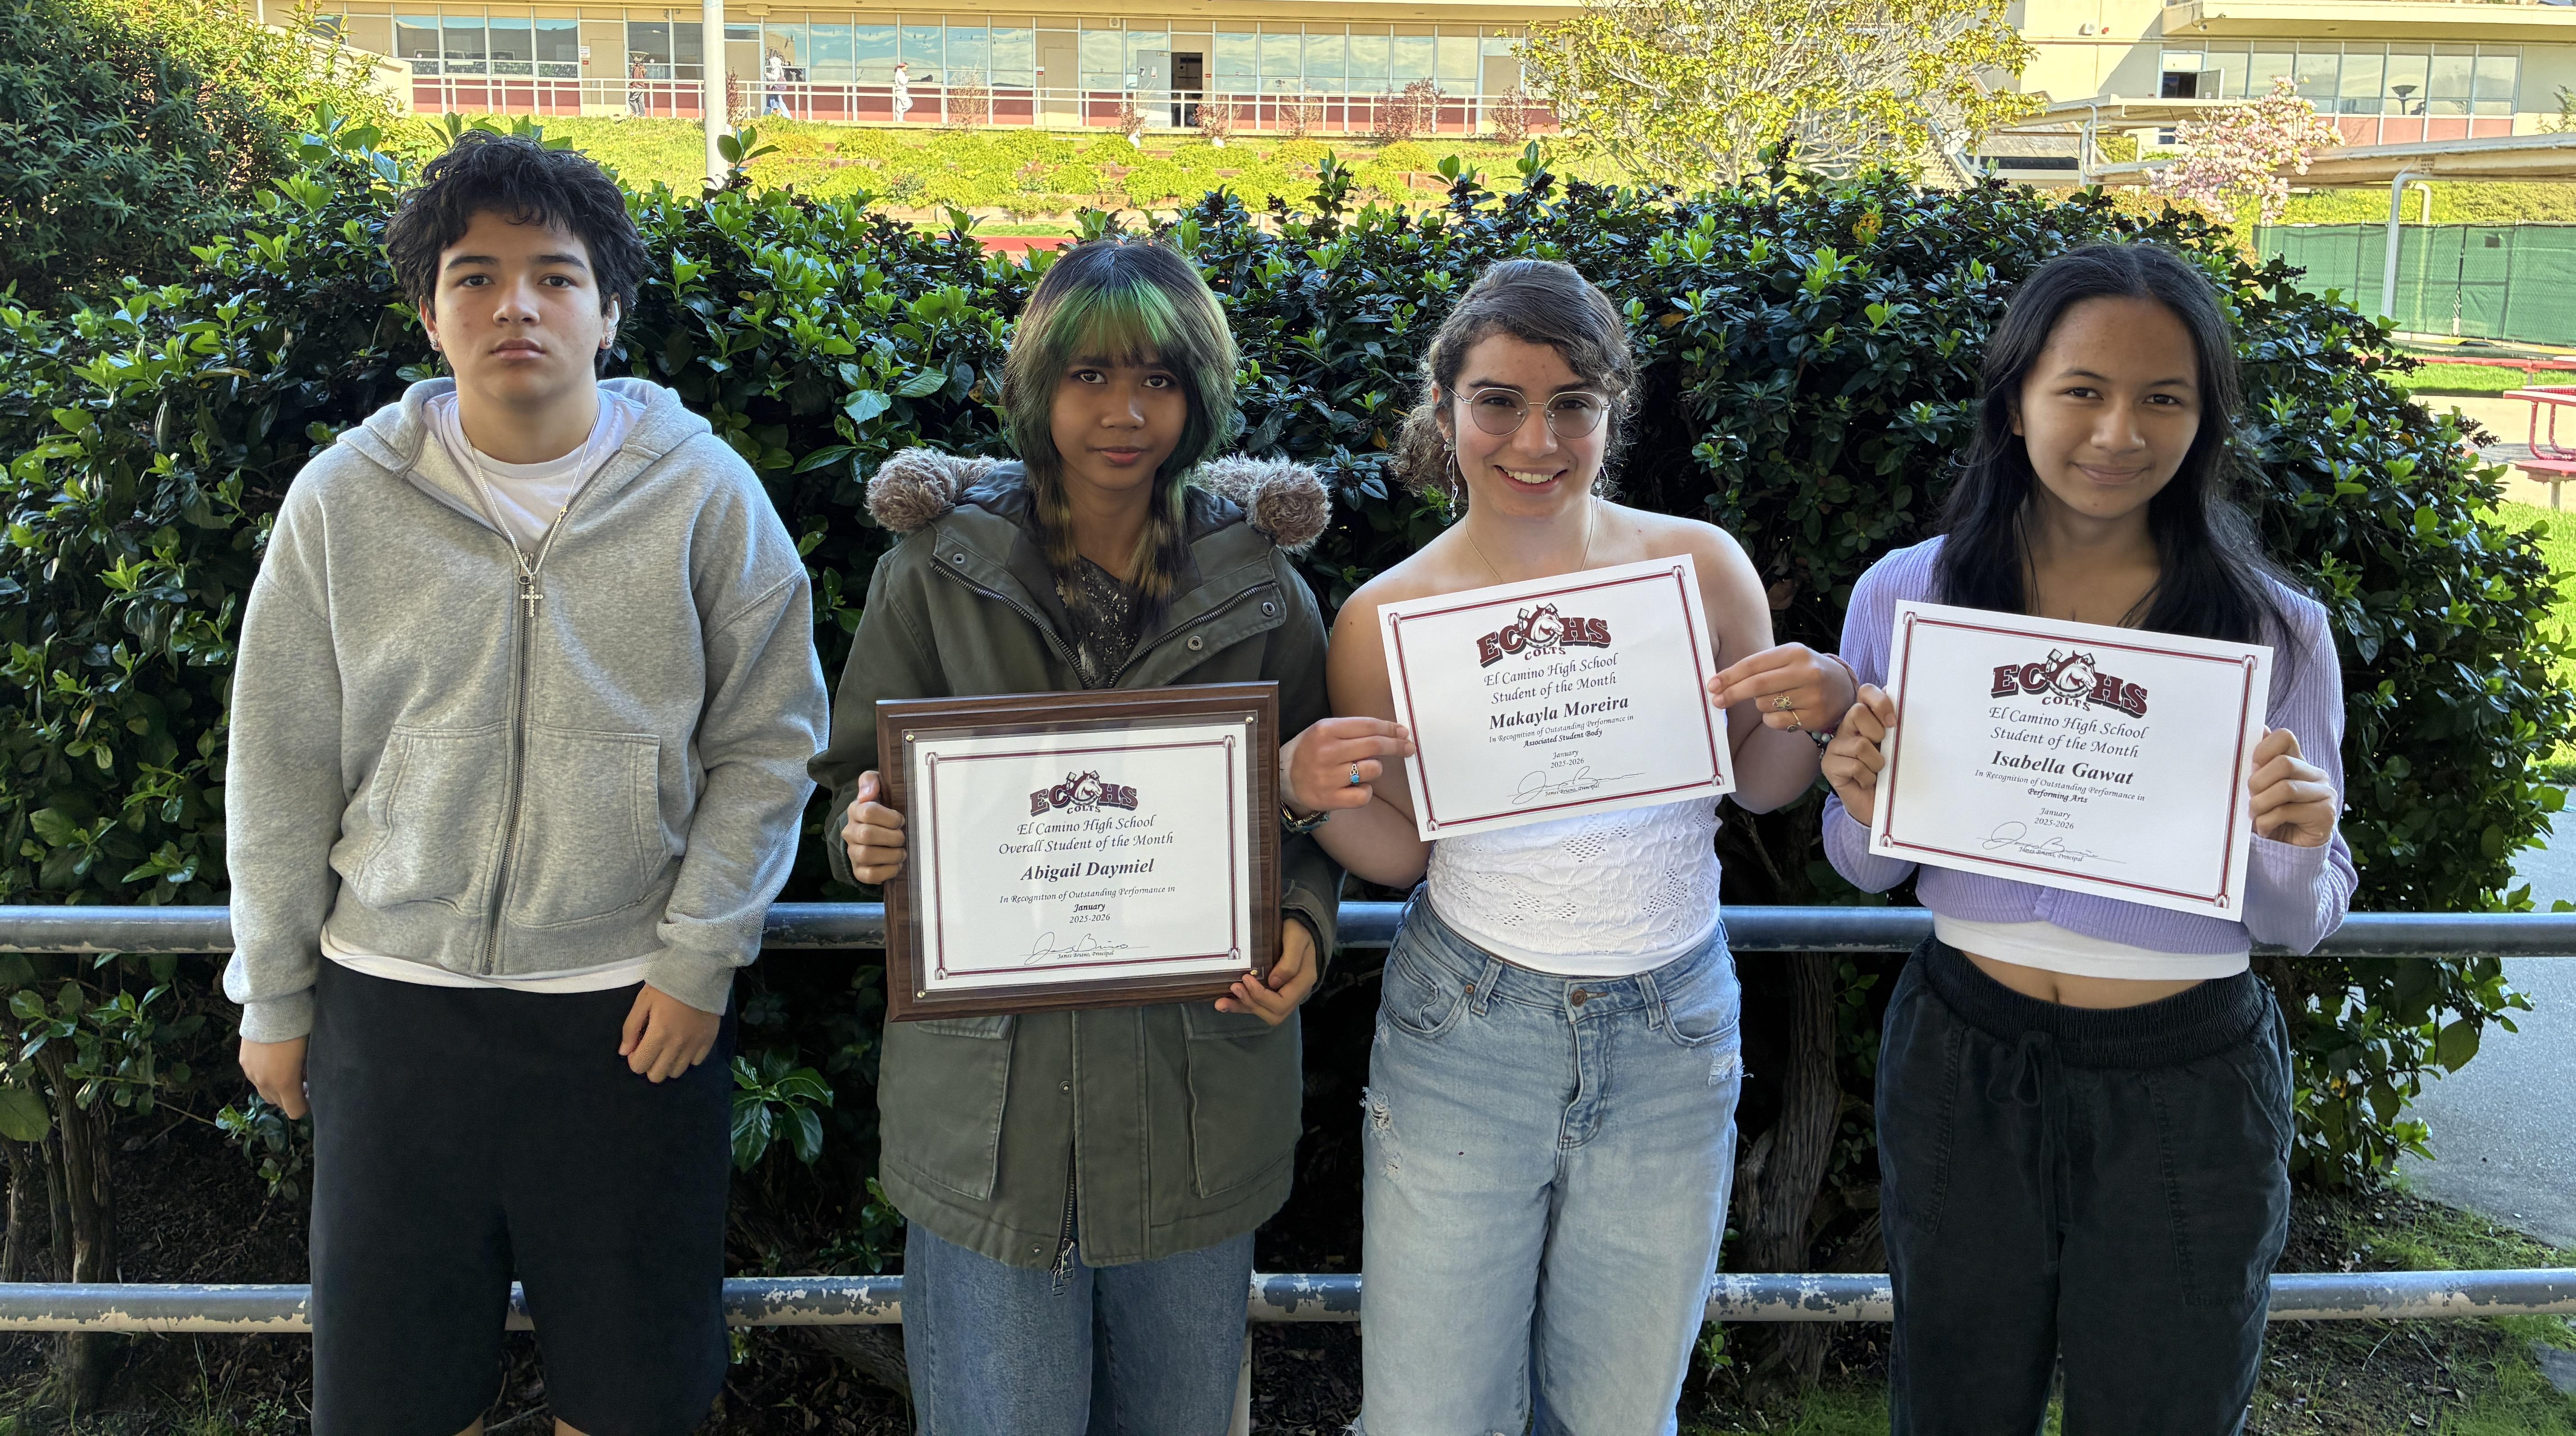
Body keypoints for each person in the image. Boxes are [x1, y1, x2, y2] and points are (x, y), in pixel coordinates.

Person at [225, 132, 829, 1436]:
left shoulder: (706, 493)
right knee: (394, 1399)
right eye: (476, 276)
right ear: (428, 310)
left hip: (630, 1017)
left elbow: (771, 740)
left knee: (630, 1399)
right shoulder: (342, 500)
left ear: (609, 310)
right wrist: (273, 990)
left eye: (556, 276)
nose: (517, 306)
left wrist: (700, 958)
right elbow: (278, 760)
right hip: (391, 1007)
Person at [1282, 258, 1858, 1436]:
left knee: (1619, 1415)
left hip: (1670, 1028)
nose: (1535, 440)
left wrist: (1823, 704)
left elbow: (1759, 784)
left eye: (1572, 405)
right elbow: (1400, 855)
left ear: (1613, 411)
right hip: (1467, 1027)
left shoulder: (1701, 568)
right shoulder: (1383, 617)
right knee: (1430, 1417)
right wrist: (1305, 794)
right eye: (1498, 401)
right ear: (1445, 407)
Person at [1818, 240, 2354, 1436]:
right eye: (2082, 390)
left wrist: (2294, 839)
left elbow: (2293, 921)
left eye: (2163, 398)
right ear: (2016, 400)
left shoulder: (2276, 630)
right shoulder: (1910, 593)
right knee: (1953, 1402)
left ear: (2204, 420)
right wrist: (1857, 799)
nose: (2119, 431)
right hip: (1963, 1050)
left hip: (2188, 1077)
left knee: (2167, 1407)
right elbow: (1870, 867)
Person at [816, 238, 1343, 1436]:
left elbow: (1318, 804)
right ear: (1036, 386)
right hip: (992, 1118)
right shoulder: (934, 571)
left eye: (1159, 379)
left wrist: (1306, 922)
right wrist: (864, 834)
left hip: (1195, 1102)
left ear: (1199, 394)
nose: (1125, 412)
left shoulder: (1263, 583)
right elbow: (853, 779)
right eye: (1090, 375)